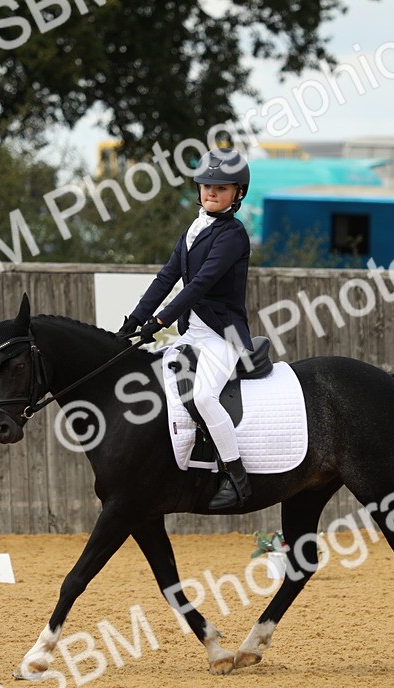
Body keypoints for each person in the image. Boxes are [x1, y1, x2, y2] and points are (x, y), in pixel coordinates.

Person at [118, 147, 254, 510]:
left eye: (221, 188)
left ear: (237, 193)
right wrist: (131, 324)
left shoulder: (233, 235)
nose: (211, 192)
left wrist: (158, 322)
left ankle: (237, 478)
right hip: (192, 334)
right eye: (206, 185)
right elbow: (167, 278)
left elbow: (200, 286)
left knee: (204, 396)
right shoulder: (193, 231)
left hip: (223, 336)